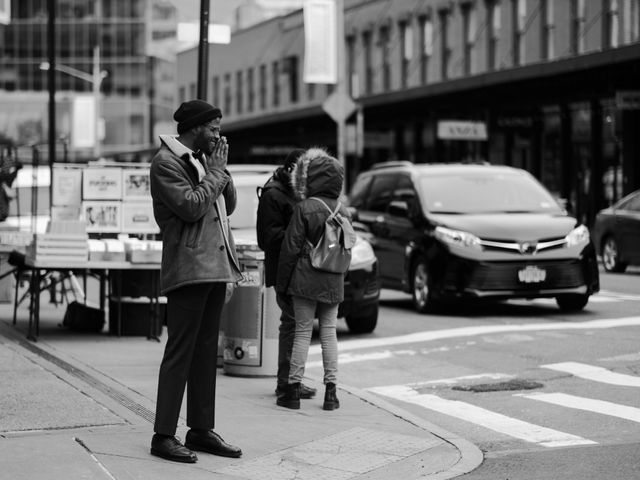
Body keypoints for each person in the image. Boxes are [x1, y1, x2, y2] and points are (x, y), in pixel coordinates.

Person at [149, 100, 243, 463]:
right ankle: (163, 435)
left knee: (206, 354)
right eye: (213, 128)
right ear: (194, 128)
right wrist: (215, 173)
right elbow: (190, 206)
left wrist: (221, 170)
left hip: (215, 266)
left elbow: (228, 206)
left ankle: (201, 429)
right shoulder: (166, 163)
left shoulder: (204, 160)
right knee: (180, 354)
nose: (219, 134)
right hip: (188, 268)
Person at [275, 148, 351, 410]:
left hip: (305, 280)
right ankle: (331, 393)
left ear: (311, 178)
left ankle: (293, 390)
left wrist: (282, 284)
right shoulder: (345, 211)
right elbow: (347, 249)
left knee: (303, 332)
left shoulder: (304, 208)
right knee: (329, 333)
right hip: (333, 279)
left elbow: (290, 250)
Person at [256, 149, 319, 405]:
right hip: (285, 270)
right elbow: (267, 239)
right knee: (292, 325)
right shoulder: (273, 194)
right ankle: (286, 384)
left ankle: (293, 380)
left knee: (299, 326)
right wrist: (301, 236)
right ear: (294, 168)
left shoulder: (297, 193)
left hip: (301, 269)